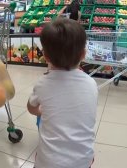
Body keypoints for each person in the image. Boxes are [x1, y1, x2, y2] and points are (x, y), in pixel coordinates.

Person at [27, 18, 98, 168]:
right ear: (83, 54)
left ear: (46, 57)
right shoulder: (91, 84)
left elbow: (31, 108)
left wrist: (41, 111)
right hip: (83, 160)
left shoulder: (42, 83)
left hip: (49, 162)